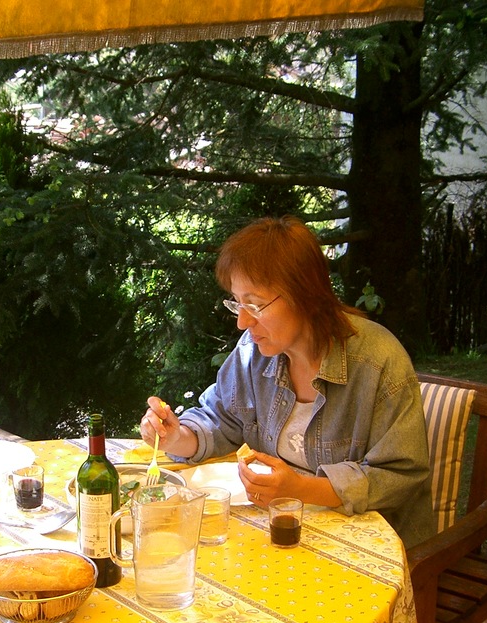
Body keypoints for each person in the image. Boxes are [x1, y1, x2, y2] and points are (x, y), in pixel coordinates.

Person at [139, 215, 434, 547]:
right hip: (282, 530)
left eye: (254, 304)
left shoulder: (377, 361)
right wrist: (176, 436)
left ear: (305, 295)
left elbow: (400, 476)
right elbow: (222, 419)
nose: (241, 322)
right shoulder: (255, 349)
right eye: (237, 302)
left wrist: (300, 489)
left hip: (369, 546)